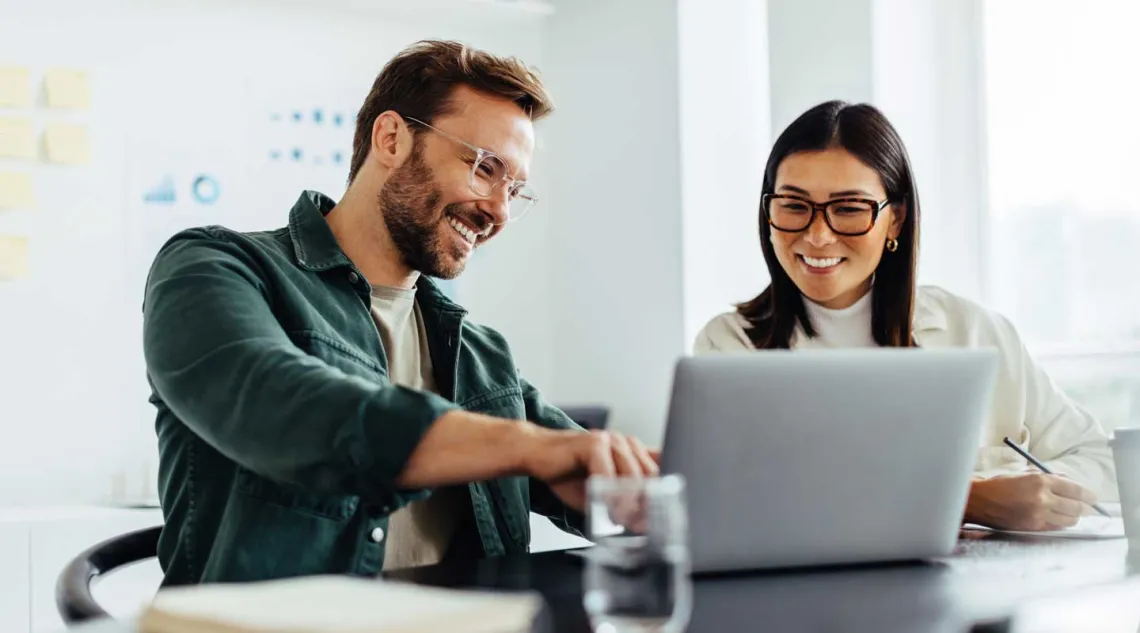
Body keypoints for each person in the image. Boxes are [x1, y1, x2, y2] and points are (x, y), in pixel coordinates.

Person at [142, 40, 657, 586]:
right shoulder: (215, 266)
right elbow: (281, 402)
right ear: (391, 138)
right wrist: (529, 447)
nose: (499, 212)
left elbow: (582, 463)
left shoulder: (480, 355)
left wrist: (650, 481)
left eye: (515, 190)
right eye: (485, 168)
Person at [693, 100, 1116, 532]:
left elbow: (1101, 461)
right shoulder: (729, 346)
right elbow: (738, 498)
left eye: (849, 209)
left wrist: (1038, 494)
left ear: (895, 220)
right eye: (794, 206)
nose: (817, 235)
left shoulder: (975, 331)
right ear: (768, 212)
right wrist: (968, 499)